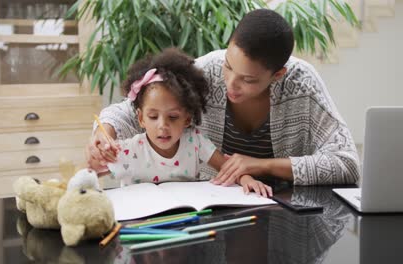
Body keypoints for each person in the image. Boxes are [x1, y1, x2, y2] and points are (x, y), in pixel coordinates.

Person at [87, 9, 360, 187]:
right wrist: (105, 133)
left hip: (285, 211)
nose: (230, 83)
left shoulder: (302, 84)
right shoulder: (208, 70)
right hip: (215, 205)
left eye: (248, 80)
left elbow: (346, 162)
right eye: (229, 66)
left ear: (278, 75)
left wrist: (263, 165)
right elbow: (135, 107)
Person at [90, 48, 272, 197]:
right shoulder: (128, 150)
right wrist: (98, 158)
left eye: (173, 117)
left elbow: (227, 167)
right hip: (141, 224)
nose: (162, 125)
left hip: (186, 219)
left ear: (187, 119)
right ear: (140, 118)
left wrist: (247, 179)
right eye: (153, 117)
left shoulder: (195, 142)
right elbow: (93, 172)